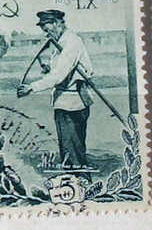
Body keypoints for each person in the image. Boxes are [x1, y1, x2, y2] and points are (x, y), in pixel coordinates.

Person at [18, 9, 95, 169]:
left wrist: (31, 87)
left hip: (72, 104)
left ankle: (80, 180)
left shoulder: (72, 42)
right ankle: (74, 179)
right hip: (65, 102)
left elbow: (59, 74)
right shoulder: (61, 41)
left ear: (57, 23)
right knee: (70, 148)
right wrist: (49, 69)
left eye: (47, 29)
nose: (46, 33)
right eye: (44, 30)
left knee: (72, 151)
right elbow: (62, 70)